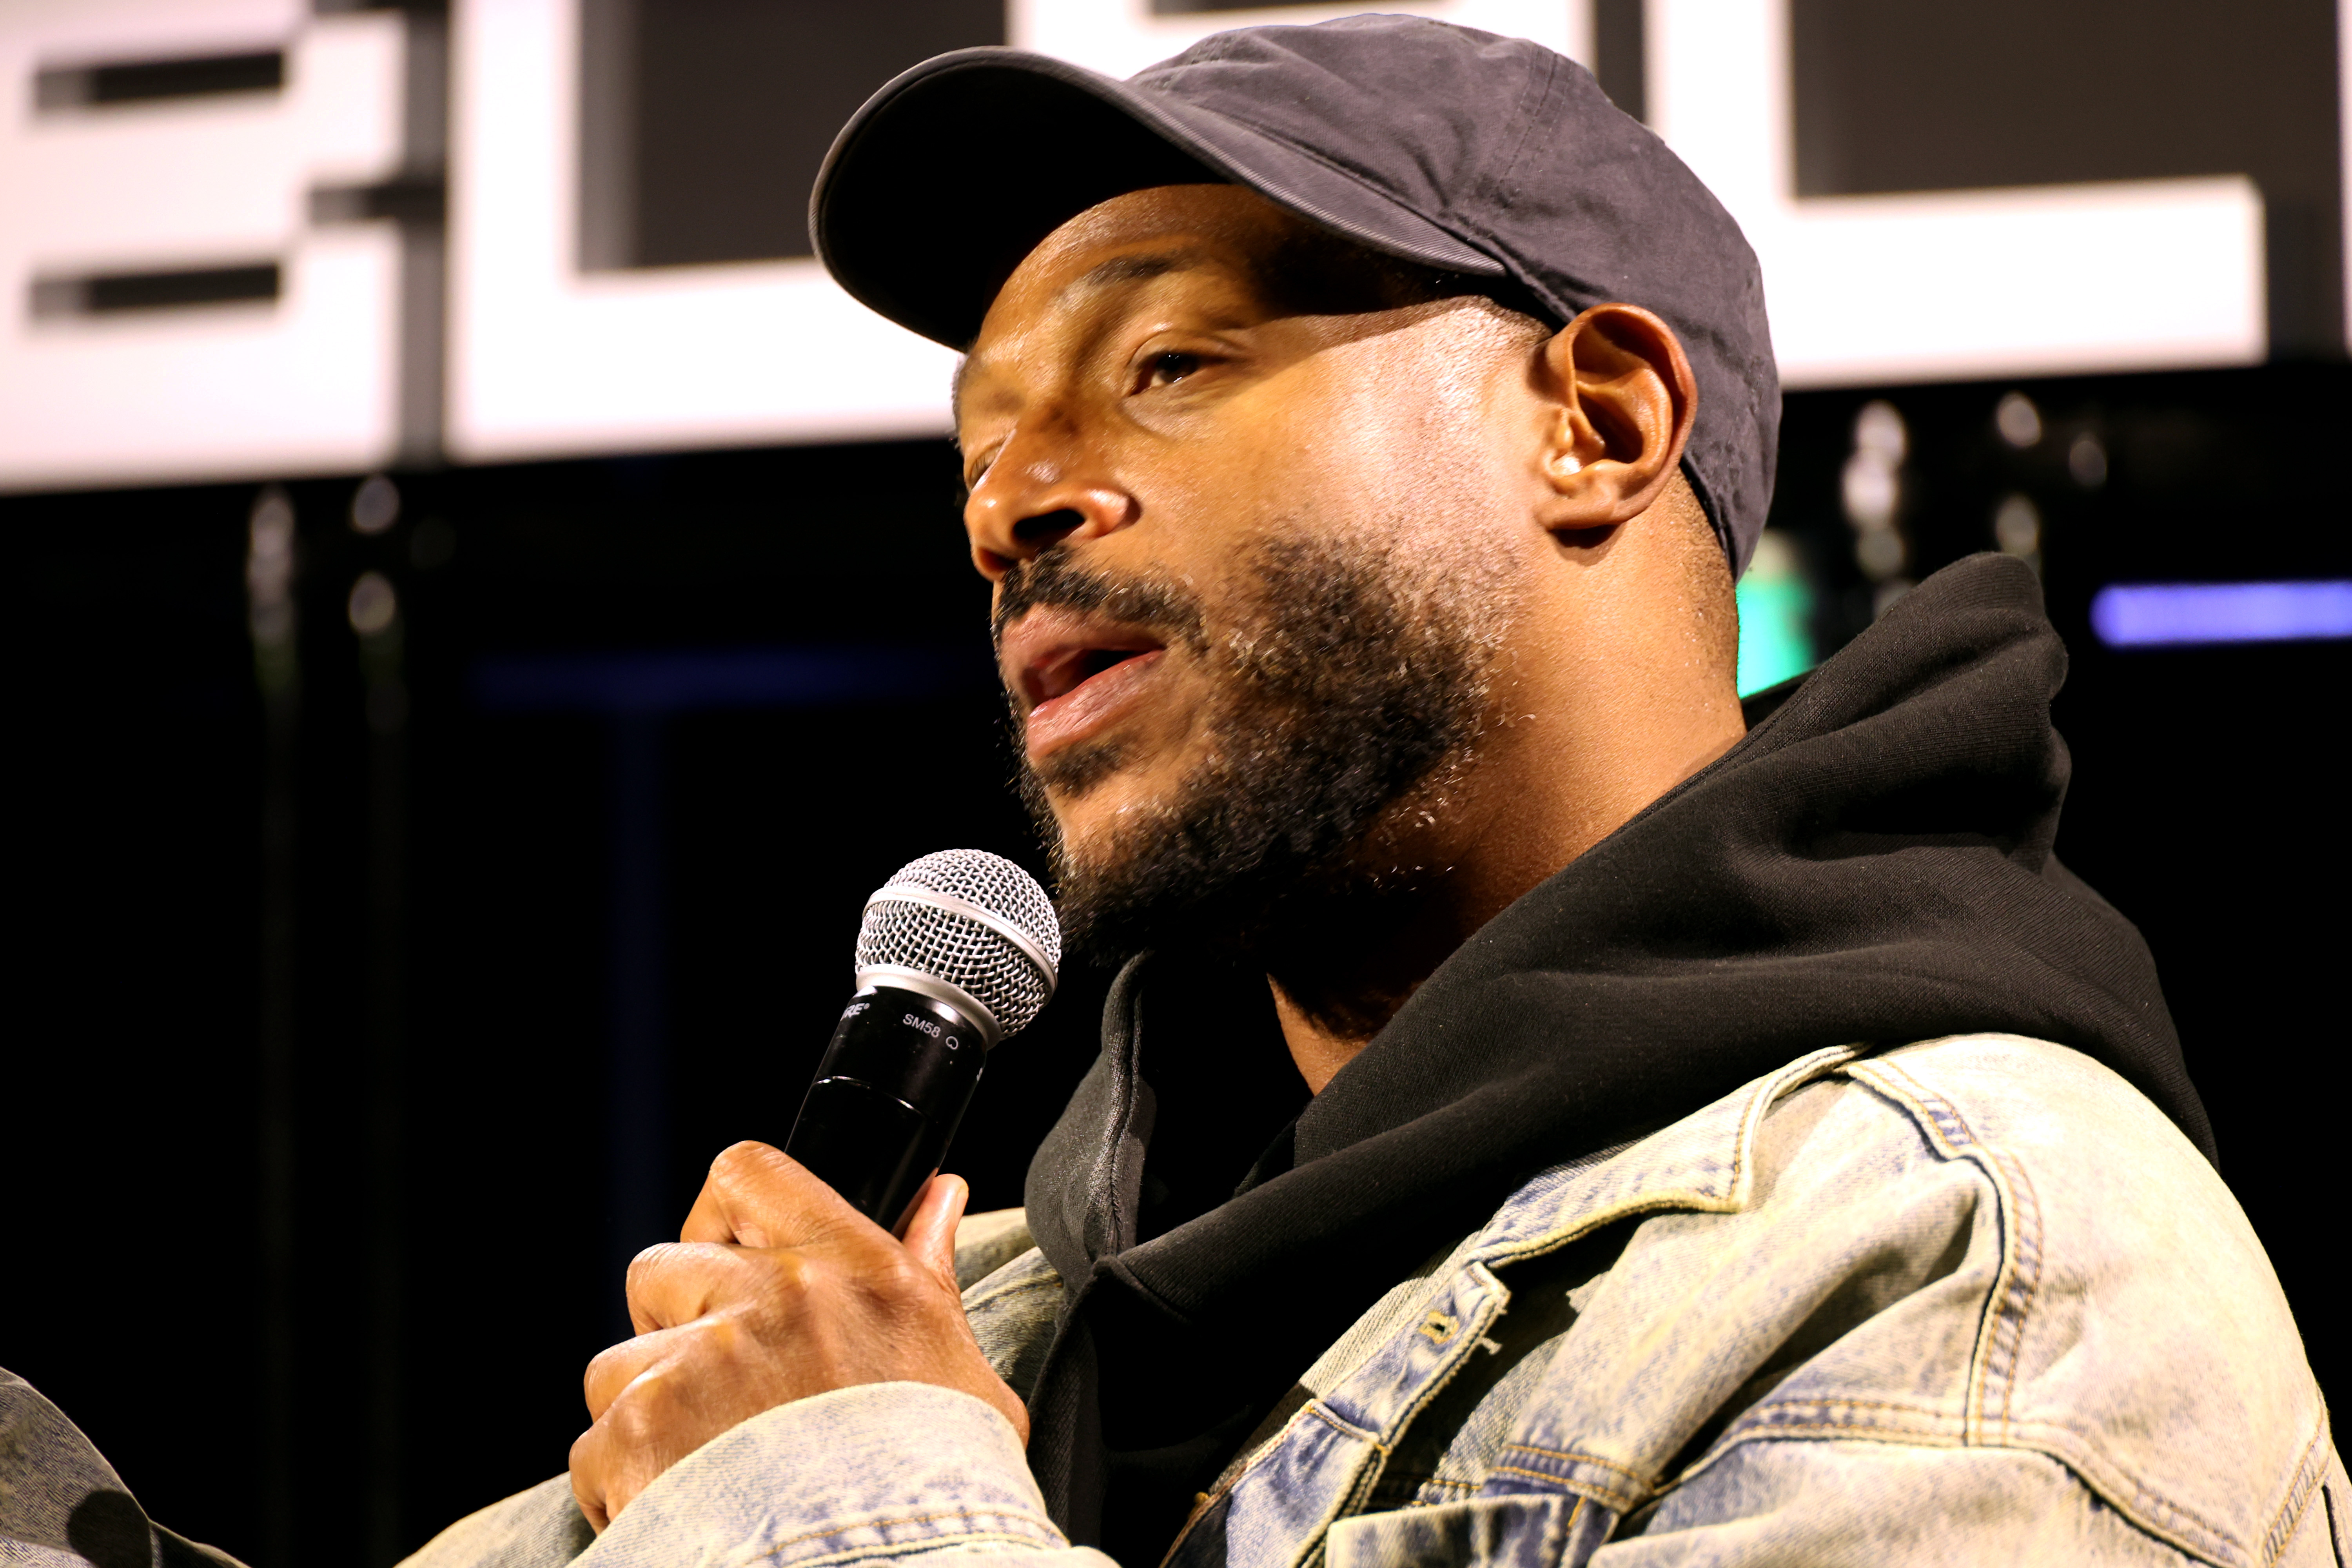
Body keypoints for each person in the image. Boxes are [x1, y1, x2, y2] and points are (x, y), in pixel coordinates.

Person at [2, 15, 2336, 1568]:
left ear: (1595, 425)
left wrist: (839, 1497)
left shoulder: (1984, 1267)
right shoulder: (1024, 1291)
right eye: (976, 455)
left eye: (1170, 362)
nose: (1018, 498)